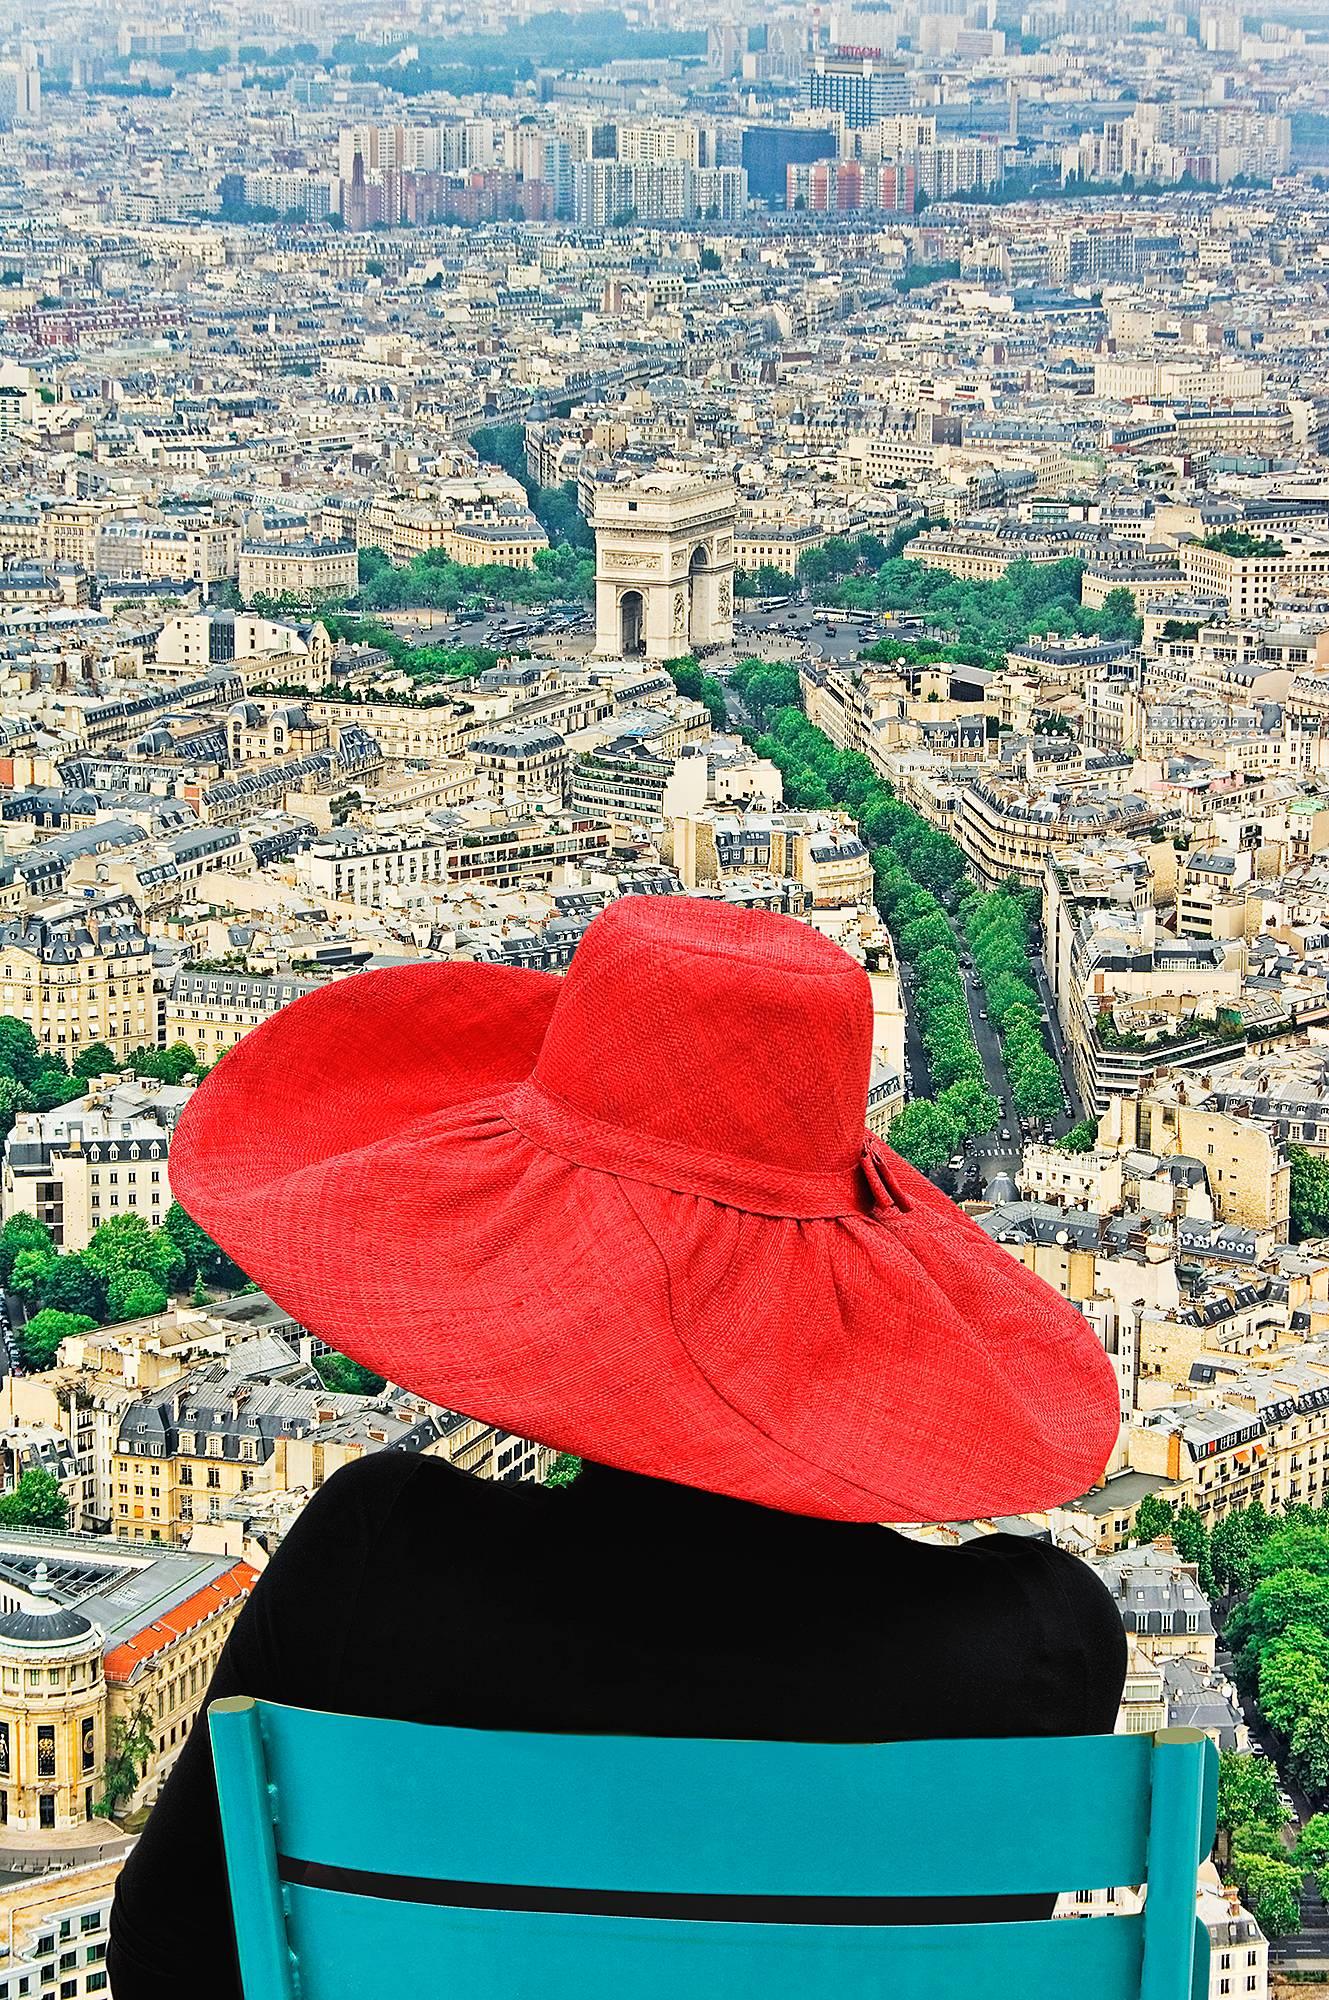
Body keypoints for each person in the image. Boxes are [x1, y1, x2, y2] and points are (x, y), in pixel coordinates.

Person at [108, 896, 1126, 1998]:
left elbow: (169, 1954)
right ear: (849, 1289)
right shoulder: (1034, 1647)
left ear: (546, 1262)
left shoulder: (374, 1560)